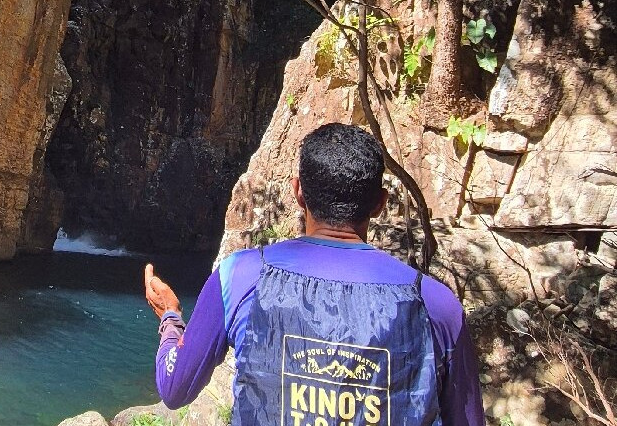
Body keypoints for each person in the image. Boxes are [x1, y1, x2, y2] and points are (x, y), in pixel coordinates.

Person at [143, 123, 484, 426]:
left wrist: (170, 318)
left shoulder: (240, 277)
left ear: (298, 192)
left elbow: (174, 387)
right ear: (380, 203)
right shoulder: (435, 305)